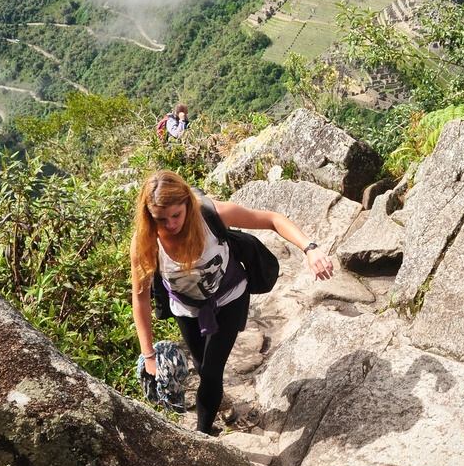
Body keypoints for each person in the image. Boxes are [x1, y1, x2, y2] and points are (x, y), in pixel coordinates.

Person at [130, 170, 333, 434]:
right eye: (161, 219)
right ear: (149, 215)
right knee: (202, 366)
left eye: (176, 215)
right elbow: (140, 298)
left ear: (187, 203)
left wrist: (310, 248)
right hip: (187, 308)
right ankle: (221, 403)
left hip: (230, 298)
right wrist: (148, 355)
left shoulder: (211, 214)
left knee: (211, 372)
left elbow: (272, 219)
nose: (170, 224)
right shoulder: (145, 242)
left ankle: (202, 437)